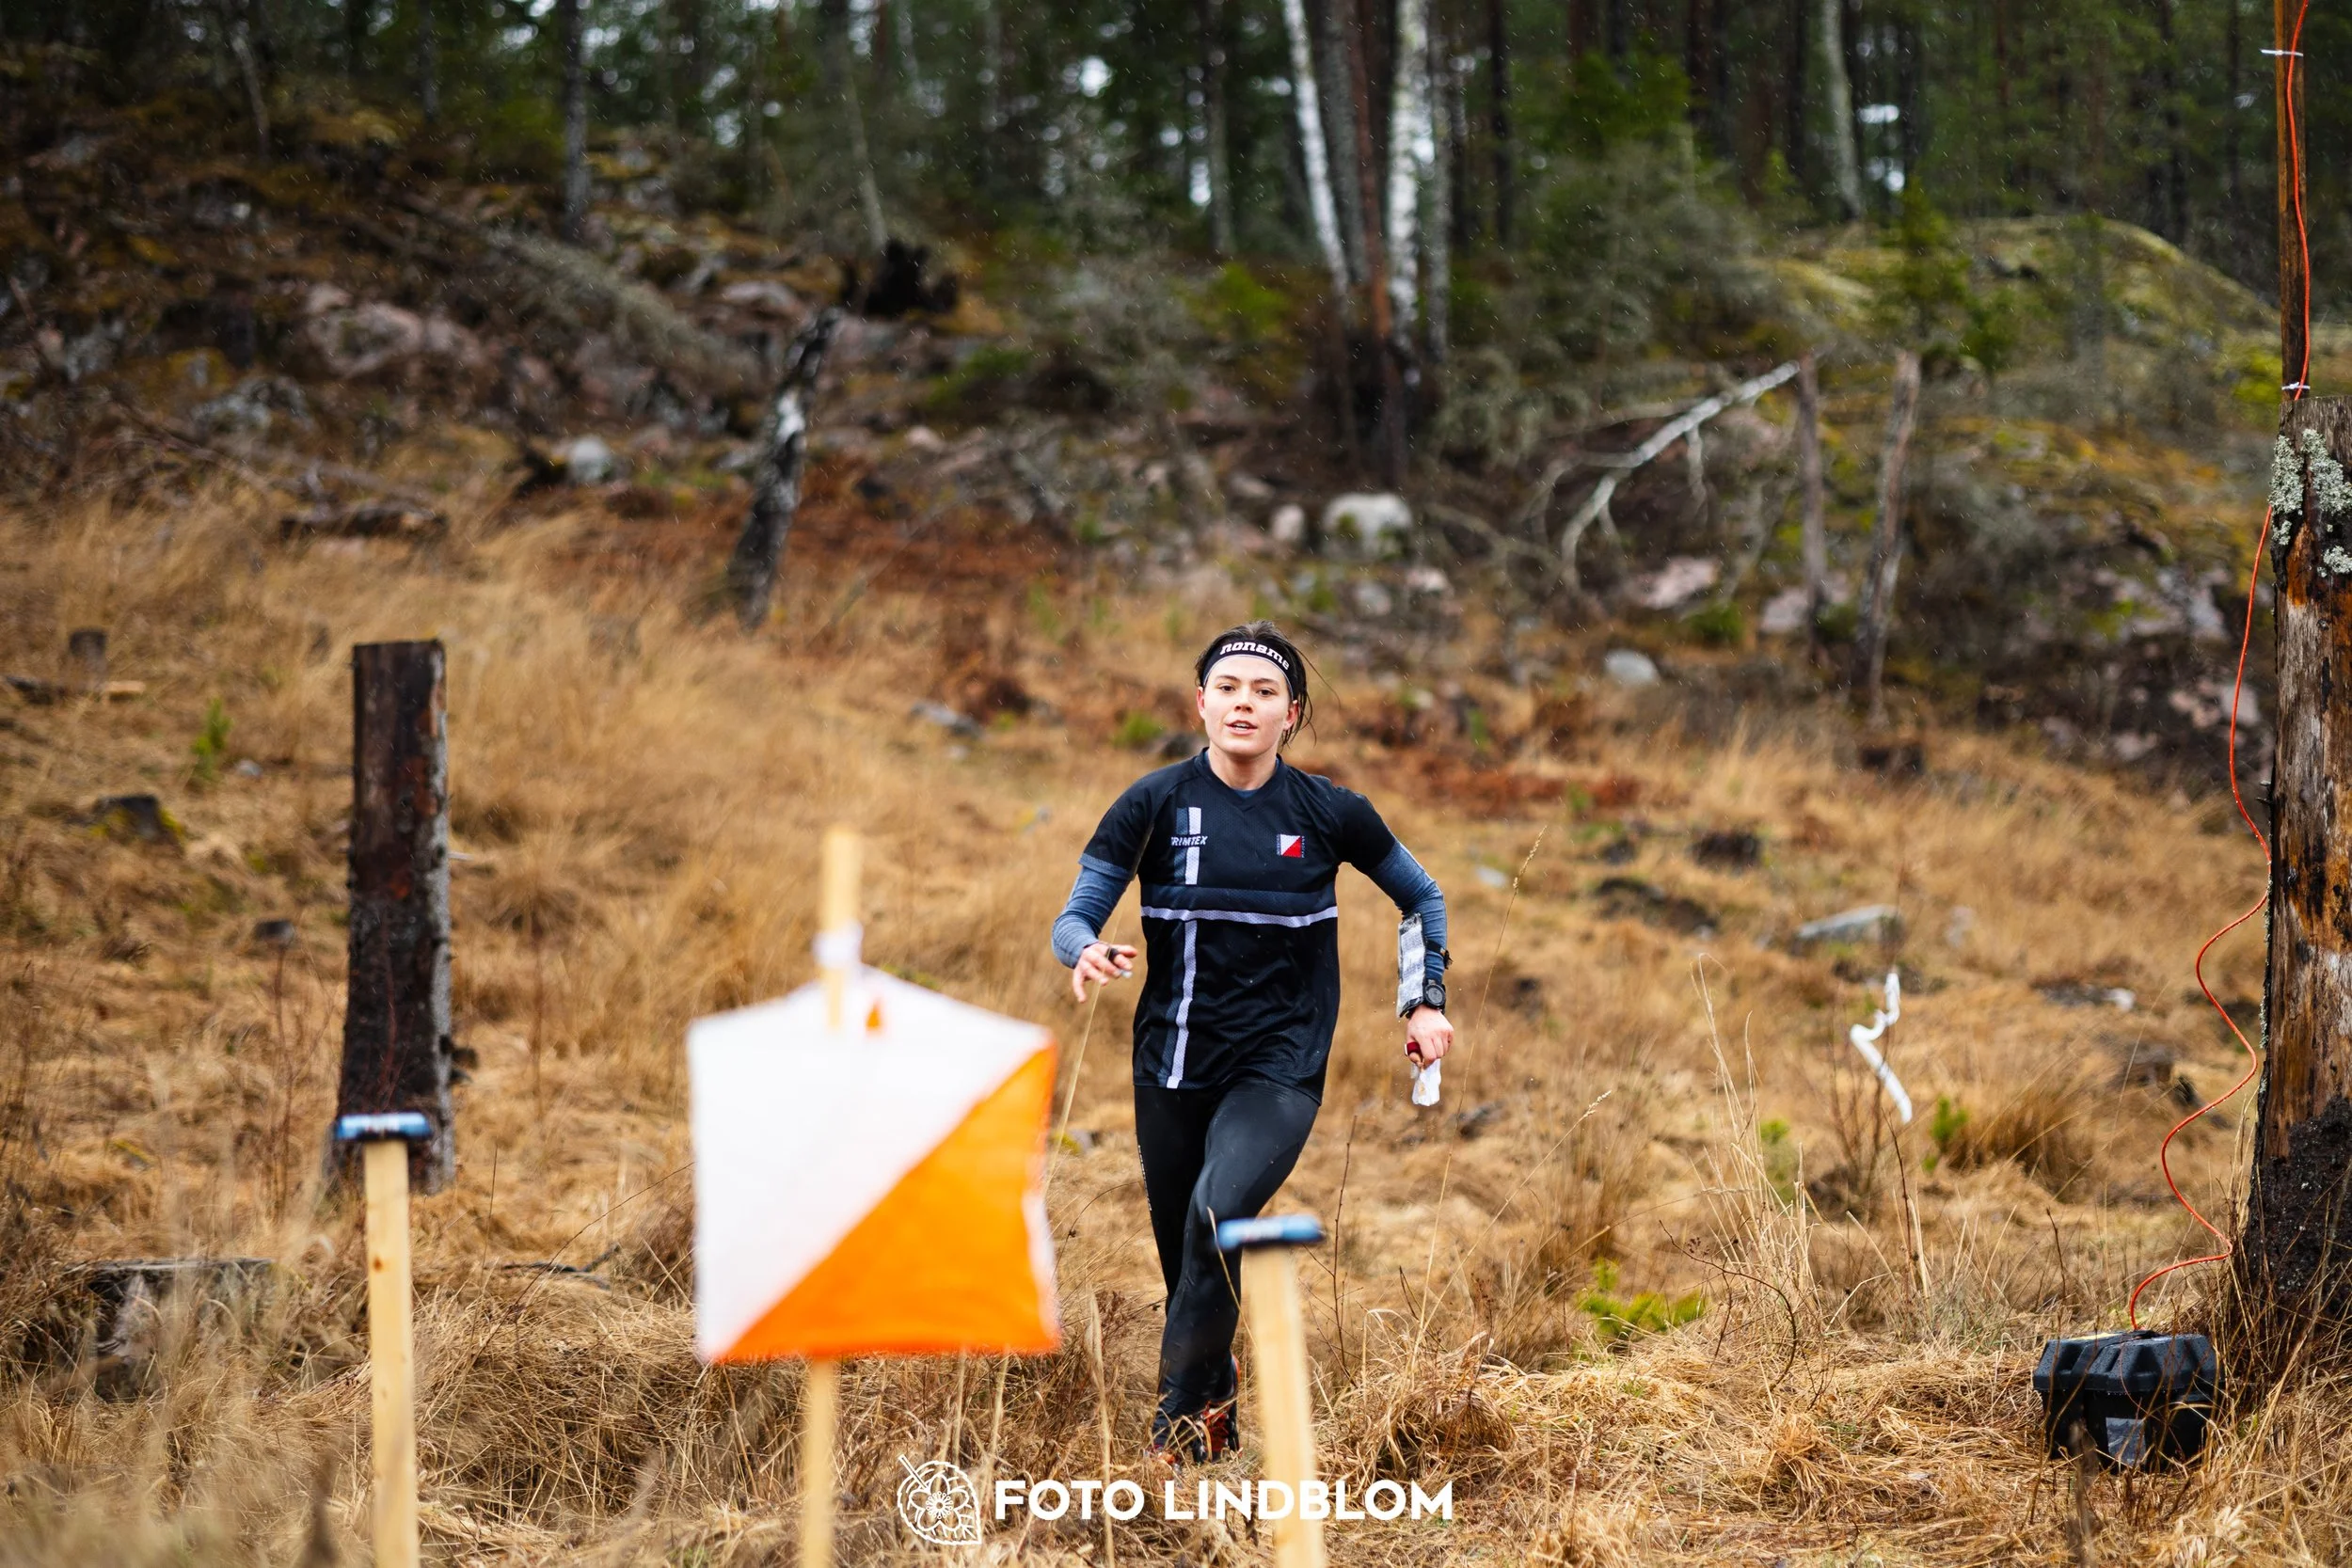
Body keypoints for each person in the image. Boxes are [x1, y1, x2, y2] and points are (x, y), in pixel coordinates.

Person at [1051, 621, 1453, 1464]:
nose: (1244, 702)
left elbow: (1422, 898)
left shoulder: (1329, 812)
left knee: (1214, 1215)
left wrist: (1422, 1003)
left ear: (1291, 714)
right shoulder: (1154, 802)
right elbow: (1079, 907)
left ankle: (1172, 1437)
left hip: (1280, 1066)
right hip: (1170, 1063)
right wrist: (1084, 945)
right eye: (1228, 687)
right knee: (1192, 1261)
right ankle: (1216, 1396)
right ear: (1201, 703)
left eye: (1264, 692)